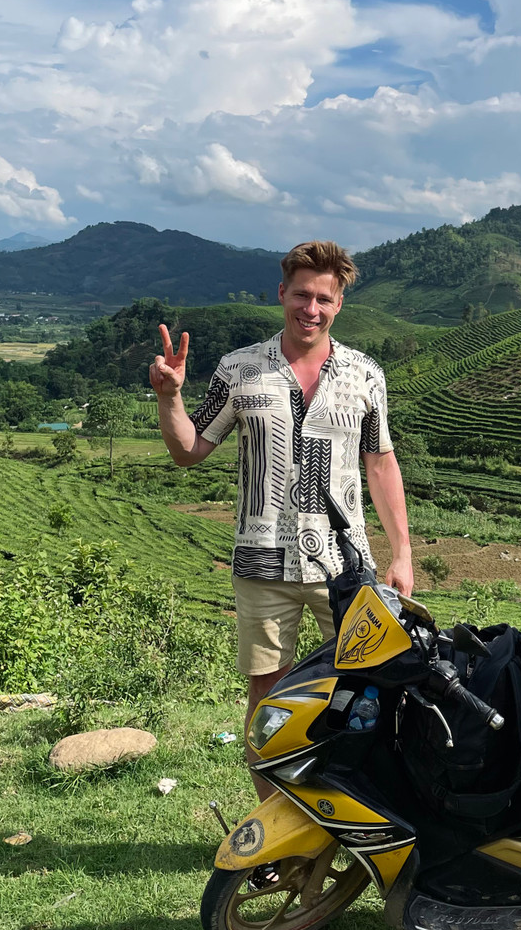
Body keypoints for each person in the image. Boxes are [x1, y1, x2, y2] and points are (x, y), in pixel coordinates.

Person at [150, 239, 414, 801]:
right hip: (262, 562)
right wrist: (170, 398)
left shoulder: (365, 375)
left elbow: (381, 463)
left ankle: (353, 817)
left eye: (323, 298)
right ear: (281, 294)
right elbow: (190, 450)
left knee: (366, 692)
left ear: (338, 304)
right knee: (269, 698)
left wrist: (402, 554)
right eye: (301, 295)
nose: (310, 309)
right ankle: (275, 823)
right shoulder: (239, 369)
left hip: (345, 565)